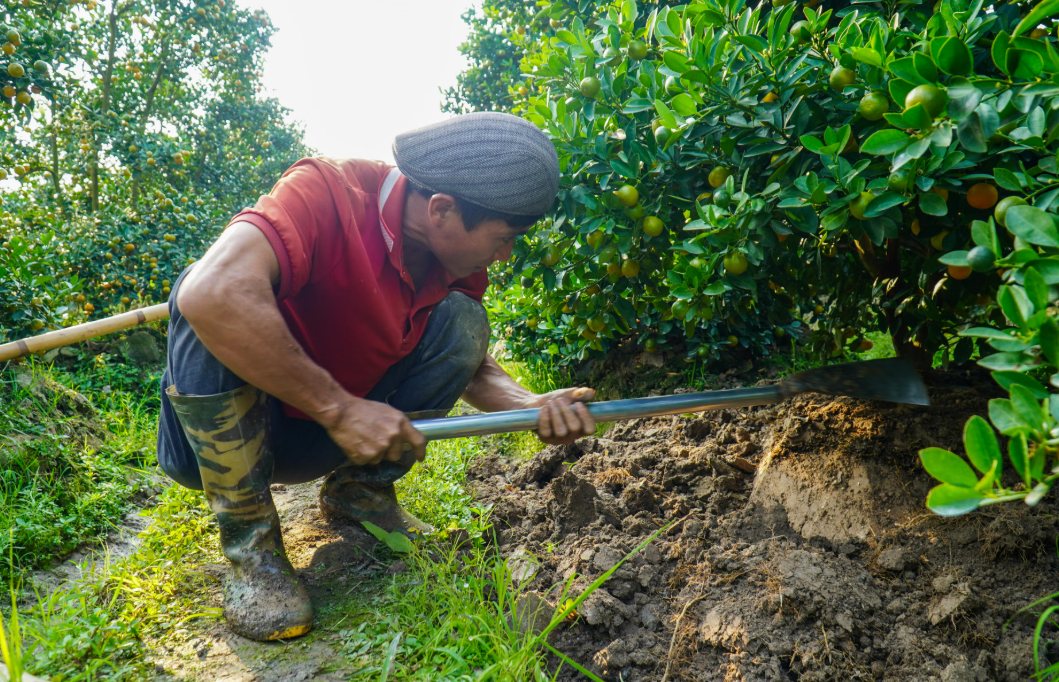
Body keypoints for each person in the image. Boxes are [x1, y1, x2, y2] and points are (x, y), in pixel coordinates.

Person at [154, 112, 597, 642]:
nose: (505, 255)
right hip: (217, 449)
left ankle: (358, 495)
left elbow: (469, 359)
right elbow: (212, 292)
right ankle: (254, 550)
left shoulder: (451, 260)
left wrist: (528, 402)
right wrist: (338, 408)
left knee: (464, 318)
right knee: (206, 293)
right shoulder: (325, 192)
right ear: (441, 209)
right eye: (504, 238)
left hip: (326, 440)